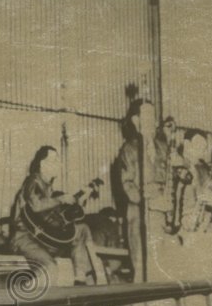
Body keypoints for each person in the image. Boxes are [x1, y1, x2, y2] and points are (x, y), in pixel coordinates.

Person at [9, 145, 95, 286]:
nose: (58, 164)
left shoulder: (49, 188)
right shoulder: (33, 181)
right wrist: (60, 200)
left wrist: (79, 201)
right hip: (25, 238)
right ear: (43, 164)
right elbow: (36, 205)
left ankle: (80, 279)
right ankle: (24, 297)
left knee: (82, 229)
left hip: (43, 239)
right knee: (50, 268)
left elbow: (58, 219)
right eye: (54, 160)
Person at [110, 98, 157, 281]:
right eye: (147, 116)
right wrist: (145, 198)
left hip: (160, 215)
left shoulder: (162, 147)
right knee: (141, 266)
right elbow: (127, 184)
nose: (152, 120)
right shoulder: (129, 149)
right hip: (138, 213)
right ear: (136, 121)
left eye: (153, 116)